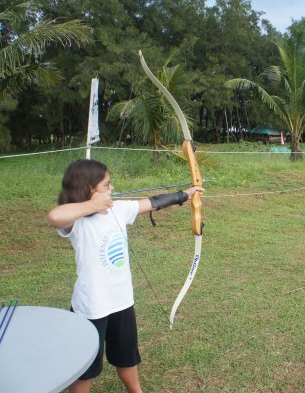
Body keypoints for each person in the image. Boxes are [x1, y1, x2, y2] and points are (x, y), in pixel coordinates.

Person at [47, 159, 203, 393]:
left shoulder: (118, 209)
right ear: (90, 189)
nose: (112, 189)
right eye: (106, 185)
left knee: (127, 357)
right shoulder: (76, 221)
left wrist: (185, 194)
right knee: (84, 369)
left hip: (121, 301)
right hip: (91, 306)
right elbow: (54, 217)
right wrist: (92, 205)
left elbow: (152, 203)